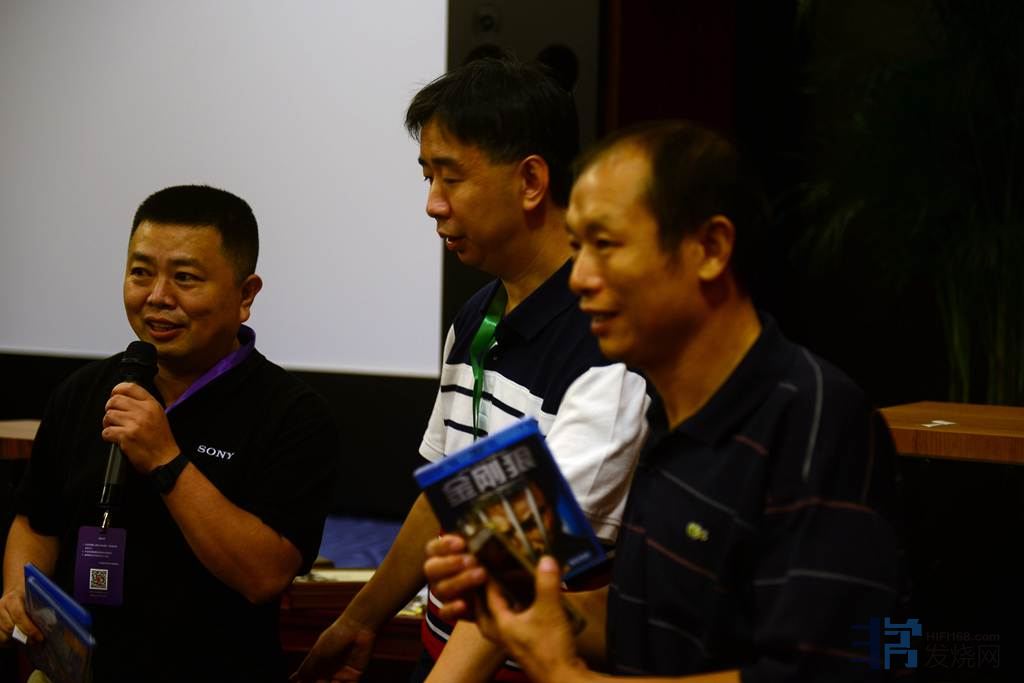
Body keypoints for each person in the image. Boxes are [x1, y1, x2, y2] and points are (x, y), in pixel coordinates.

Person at [424, 120, 911, 681]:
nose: (580, 277)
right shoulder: (666, 418)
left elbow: (827, 673)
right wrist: (522, 604)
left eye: (605, 245)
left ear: (710, 249)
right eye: (578, 248)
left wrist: (570, 677)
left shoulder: (814, 420)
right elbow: (647, 628)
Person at [293, 57, 649, 683]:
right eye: (427, 176)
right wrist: (360, 619)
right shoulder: (477, 314)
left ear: (531, 180)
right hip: (441, 655)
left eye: (450, 177)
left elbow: (520, 567)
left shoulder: (608, 344)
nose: (433, 204)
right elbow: (447, 498)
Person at [0, 185, 340, 682]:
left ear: (246, 295)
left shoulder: (294, 415)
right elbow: (37, 521)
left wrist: (165, 458)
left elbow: (264, 575)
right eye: (141, 273)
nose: (157, 297)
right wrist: (18, 592)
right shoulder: (83, 391)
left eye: (185, 278)